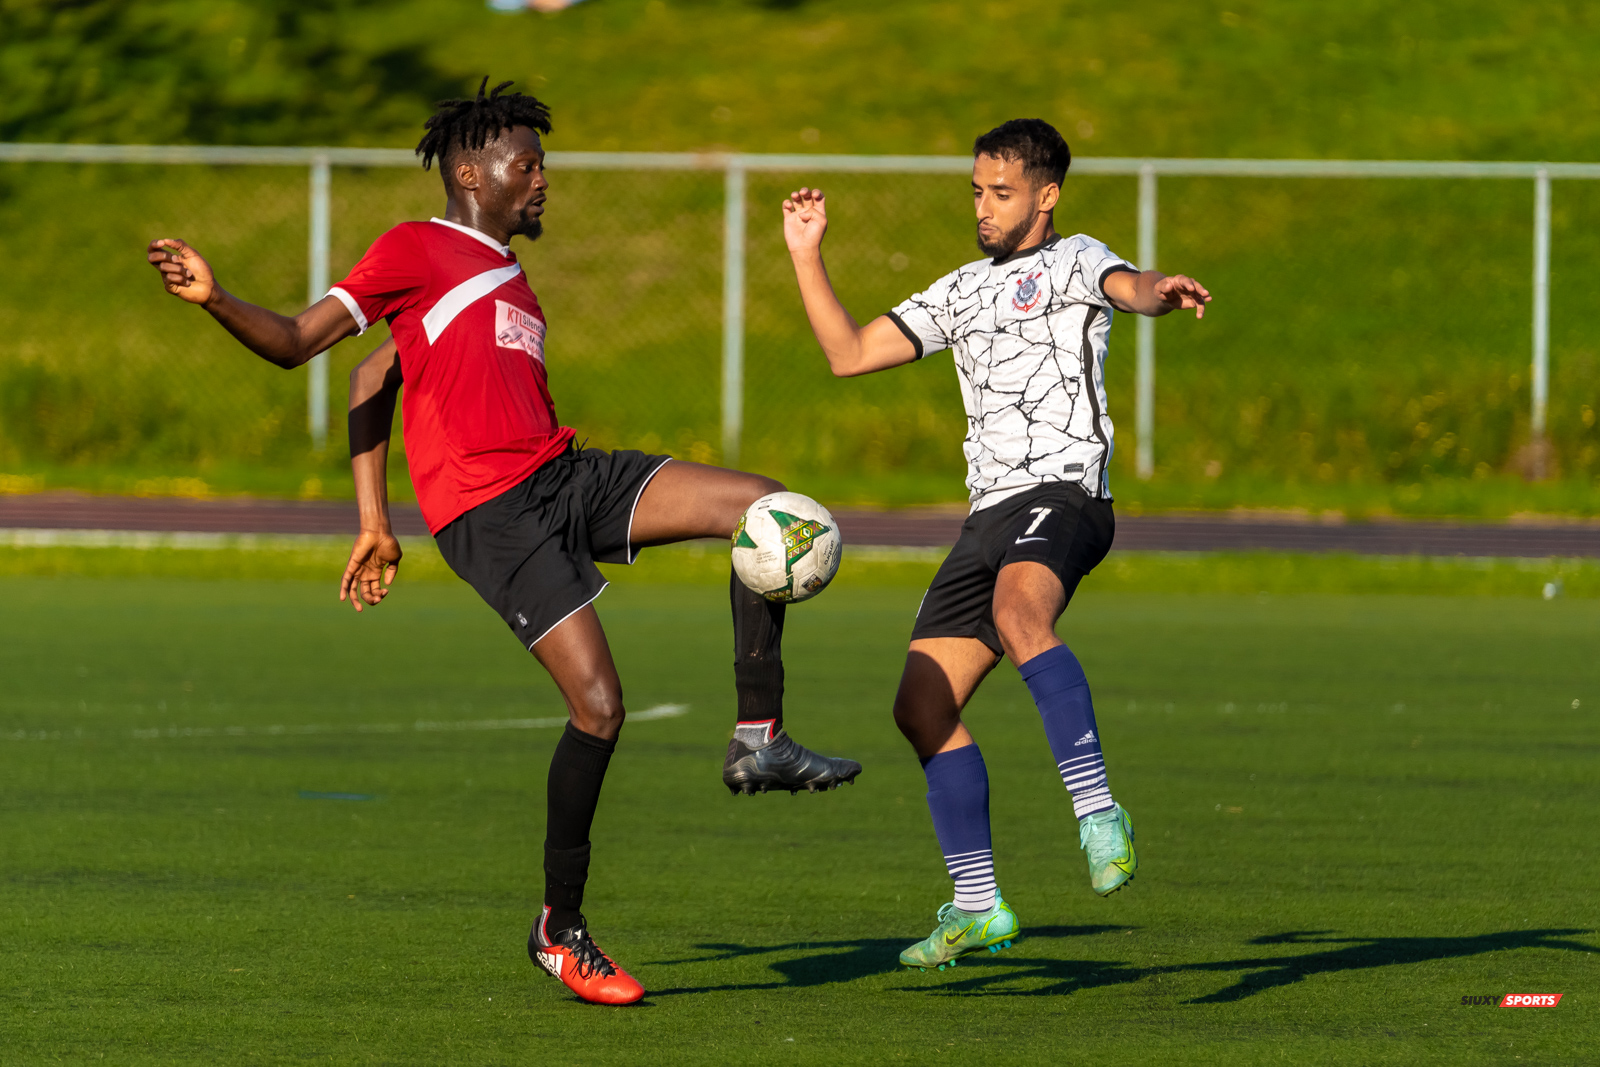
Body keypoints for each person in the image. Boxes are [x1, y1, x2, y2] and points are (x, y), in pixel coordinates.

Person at [146, 78, 860, 1006]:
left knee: (771, 508)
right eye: (529, 165)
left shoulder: (508, 273)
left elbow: (379, 374)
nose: (542, 180)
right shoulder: (414, 249)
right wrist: (217, 300)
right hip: (492, 512)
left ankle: (757, 734)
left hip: (564, 476)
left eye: (542, 165)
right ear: (472, 172)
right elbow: (301, 345)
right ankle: (560, 931)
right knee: (599, 706)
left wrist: (373, 516)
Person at [781, 118, 1211, 972]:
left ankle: (1098, 812)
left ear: (1045, 197)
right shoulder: (959, 289)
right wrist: (806, 253)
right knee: (921, 704)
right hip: (988, 518)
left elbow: (1130, 285)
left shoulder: (1076, 258)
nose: (983, 206)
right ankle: (978, 903)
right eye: (977, 189)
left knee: (1022, 612)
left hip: (1065, 495)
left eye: (1002, 192)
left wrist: (1162, 289)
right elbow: (850, 353)